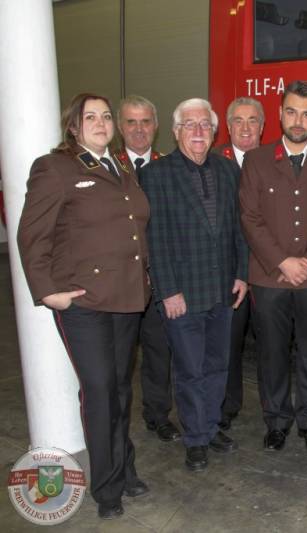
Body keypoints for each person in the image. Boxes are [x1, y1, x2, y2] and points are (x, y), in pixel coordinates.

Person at [18, 93, 150, 519]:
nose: (100, 122)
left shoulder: (120, 167)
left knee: (121, 389)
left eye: (106, 116)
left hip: (126, 296)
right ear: (73, 125)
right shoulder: (55, 167)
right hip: (84, 303)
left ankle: (125, 469)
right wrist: (47, 290)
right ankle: (107, 488)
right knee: (99, 391)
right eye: (90, 117)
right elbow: (31, 234)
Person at [140, 98, 249, 473]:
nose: (199, 131)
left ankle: (212, 426)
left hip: (222, 288)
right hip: (181, 294)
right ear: (176, 132)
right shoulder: (156, 175)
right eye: (190, 125)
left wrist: (241, 274)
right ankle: (196, 438)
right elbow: (155, 239)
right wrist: (167, 290)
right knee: (190, 369)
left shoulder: (228, 170)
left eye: (205, 125)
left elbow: (238, 228)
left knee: (218, 365)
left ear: (214, 132)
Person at [240, 81, 307, 453]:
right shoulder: (257, 160)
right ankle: (277, 422)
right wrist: (282, 261)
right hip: (269, 277)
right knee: (273, 355)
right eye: (292, 112)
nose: (299, 120)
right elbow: (250, 218)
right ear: (280, 113)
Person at [115, 94, 181, 443]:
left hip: (157, 279)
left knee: (158, 351)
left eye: (145, 122)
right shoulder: (107, 167)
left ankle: (158, 414)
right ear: (120, 127)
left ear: (156, 127)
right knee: (118, 358)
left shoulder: (169, 167)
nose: (138, 129)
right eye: (131, 122)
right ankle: (114, 420)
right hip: (118, 282)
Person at [214, 97, 265, 431]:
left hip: (269, 270)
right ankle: (226, 405)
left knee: (272, 345)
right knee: (227, 344)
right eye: (238, 120)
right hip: (230, 272)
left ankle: (274, 409)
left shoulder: (274, 159)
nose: (245, 128)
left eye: (252, 120)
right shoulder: (212, 161)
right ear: (228, 126)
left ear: (263, 126)